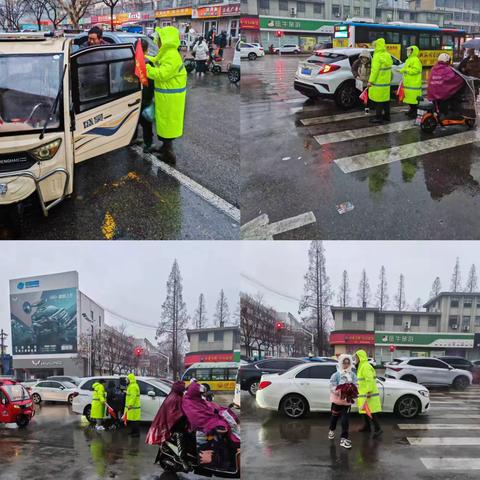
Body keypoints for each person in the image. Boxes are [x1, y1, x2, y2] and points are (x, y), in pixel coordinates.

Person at [146, 26, 187, 164]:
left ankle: (169, 155)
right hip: (166, 97)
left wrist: (145, 68)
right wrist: (145, 57)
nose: (157, 42)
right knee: (164, 124)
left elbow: (161, 74)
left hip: (171, 99)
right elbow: (156, 60)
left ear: (166, 40)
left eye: (159, 39)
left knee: (167, 126)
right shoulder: (166, 52)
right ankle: (164, 147)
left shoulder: (171, 56)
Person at [146, 381, 189, 470]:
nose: (183, 389)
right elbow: (174, 415)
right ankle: (182, 458)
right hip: (171, 426)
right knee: (180, 435)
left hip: (173, 424)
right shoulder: (174, 398)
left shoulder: (176, 396)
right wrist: (184, 418)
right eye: (182, 388)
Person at [328, 354, 358, 449]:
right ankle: (331, 430)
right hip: (337, 402)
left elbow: (356, 384)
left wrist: (352, 390)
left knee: (345, 420)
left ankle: (344, 439)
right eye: (344, 363)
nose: (346, 365)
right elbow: (332, 386)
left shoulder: (352, 374)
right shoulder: (336, 375)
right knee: (334, 418)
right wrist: (340, 391)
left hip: (346, 402)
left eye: (348, 363)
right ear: (341, 363)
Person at [132, 39, 155, 153]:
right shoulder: (148, 63)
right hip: (145, 97)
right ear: (146, 50)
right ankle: (148, 144)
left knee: (134, 119)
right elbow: (152, 82)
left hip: (133, 97)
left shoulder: (130, 61)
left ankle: (132, 138)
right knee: (146, 122)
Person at [354, 349, 383, 438]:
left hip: (368, 394)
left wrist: (369, 391)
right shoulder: (362, 366)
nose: (355, 359)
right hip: (363, 394)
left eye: (356, 357)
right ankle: (367, 427)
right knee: (364, 411)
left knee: (371, 412)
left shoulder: (365, 366)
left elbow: (369, 380)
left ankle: (378, 429)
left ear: (360, 357)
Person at [368, 38, 393, 124]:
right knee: (385, 100)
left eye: (375, 45)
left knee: (379, 101)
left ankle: (378, 117)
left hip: (378, 83)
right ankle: (387, 116)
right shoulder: (387, 55)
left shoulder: (377, 56)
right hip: (386, 83)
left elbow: (375, 70)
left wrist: (370, 81)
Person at [399, 45, 423, 118]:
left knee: (413, 100)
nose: (407, 52)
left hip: (414, 84)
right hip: (409, 83)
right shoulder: (408, 59)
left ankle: (414, 112)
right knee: (409, 99)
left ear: (413, 51)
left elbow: (416, 70)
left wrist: (405, 70)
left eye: (409, 50)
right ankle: (412, 111)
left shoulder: (415, 60)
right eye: (407, 50)